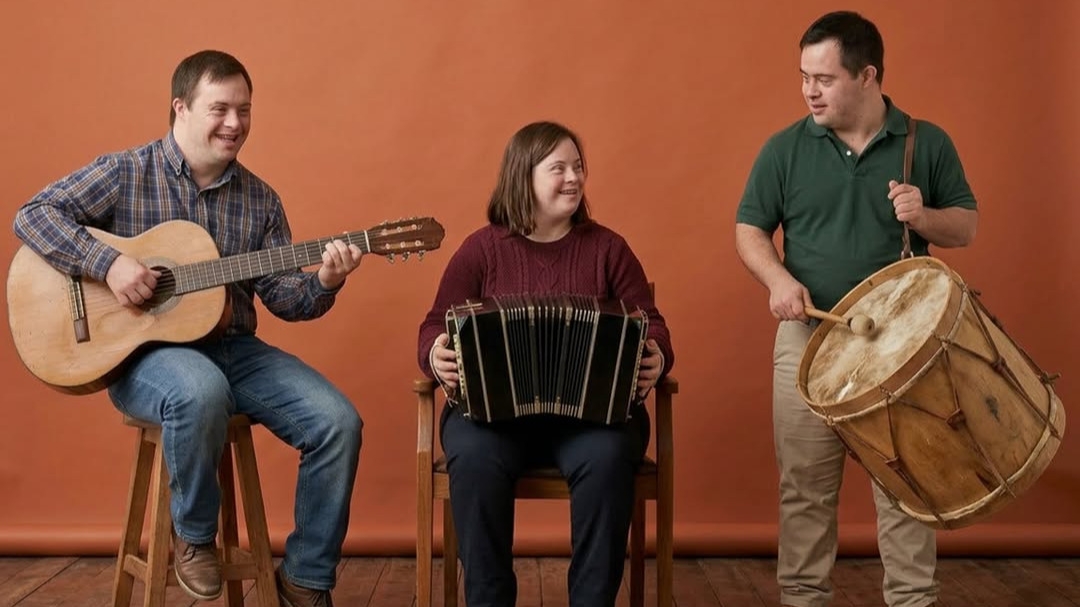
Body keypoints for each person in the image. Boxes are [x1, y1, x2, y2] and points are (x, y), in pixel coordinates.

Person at [12, 50, 362, 607]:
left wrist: (324, 280)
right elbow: (32, 215)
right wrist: (109, 264)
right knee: (200, 391)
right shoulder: (126, 172)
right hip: (145, 360)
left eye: (244, 110)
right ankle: (193, 538)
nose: (235, 123)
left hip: (235, 349)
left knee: (338, 422)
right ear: (180, 107)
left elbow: (285, 300)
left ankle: (306, 577)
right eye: (219, 108)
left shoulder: (260, 199)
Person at [734, 11, 978, 607]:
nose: (809, 90)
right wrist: (778, 280)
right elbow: (748, 229)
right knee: (805, 490)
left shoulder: (927, 141)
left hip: (904, 343)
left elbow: (966, 227)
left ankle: (913, 601)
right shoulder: (785, 148)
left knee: (908, 482)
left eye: (824, 77)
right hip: (808, 339)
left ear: (867, 76)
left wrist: (924, 217)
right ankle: (802, 599)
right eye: (803, 76)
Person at [417, 121, 674, 607]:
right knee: (472, 458)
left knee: (607, 459)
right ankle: (489, 599)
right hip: (494, 419)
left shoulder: (608, 249)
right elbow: (433, 326)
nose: (573, 178)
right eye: (558, 168)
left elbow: (652, 324)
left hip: (592, 419)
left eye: (578, 167)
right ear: (523, 177)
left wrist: (657, 355)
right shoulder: (481, 249)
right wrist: (436, 354)